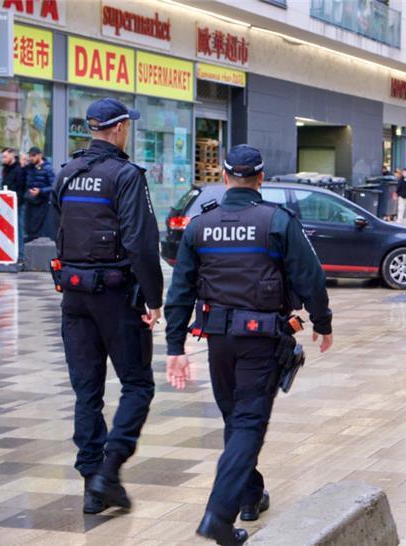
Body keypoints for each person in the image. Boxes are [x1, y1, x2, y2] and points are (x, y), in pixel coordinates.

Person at [164, 144, 334, 545]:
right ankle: (218, 516)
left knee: (236, 419)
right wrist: (322, 322)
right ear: (261, 179)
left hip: (218, 341)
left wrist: (175, 347)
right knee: (247, 423)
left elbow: (181, 290)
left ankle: (249, 495)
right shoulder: (277, 221)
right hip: (260, 339)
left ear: (225, 178)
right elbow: (310, 276)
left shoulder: (200, 226)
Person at [52, 98, 163, 515]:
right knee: (138, 384)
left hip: (74, 295)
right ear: (118, 129)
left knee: (87, 392)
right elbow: (140, 242)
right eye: (127, 127)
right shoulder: (126, 175)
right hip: (116, 297)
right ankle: (109, 472)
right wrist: (154, 299)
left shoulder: (67, 172)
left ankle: (91, 484)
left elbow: (58, 227)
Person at [0, 148, 27, 258]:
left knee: (19, 229)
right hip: (6, 203)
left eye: (5, 156)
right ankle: (5, 252)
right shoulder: (6, 168)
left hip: (17, 204)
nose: (3, 159)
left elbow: (21, 187)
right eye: (2, 157)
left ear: (12, 155)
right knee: (3, 228)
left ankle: (20, 254)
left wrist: (16, 203)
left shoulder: (19, 169)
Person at [24, 146, 55, 241]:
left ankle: (33, 244)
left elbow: (53, 186)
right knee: (28, 225)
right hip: (30, 199)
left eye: (33, 156)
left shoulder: (48, 168)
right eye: (30, 156)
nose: (31, 158)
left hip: (41, 201)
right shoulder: (30, 167)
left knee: (36, 226)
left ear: (40, 155)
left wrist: (40, 191)